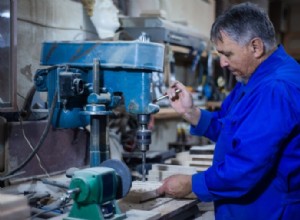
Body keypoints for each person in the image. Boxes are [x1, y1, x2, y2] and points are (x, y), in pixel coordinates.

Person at [157, 2, 300, 219]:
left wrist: (193, 184)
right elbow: (232, 130)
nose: (223, 62)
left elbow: (247, 165)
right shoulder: (252, 79)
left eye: (228, 54)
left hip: (268, 210)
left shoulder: (275, 88)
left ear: (255, 47)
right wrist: (191, 113)